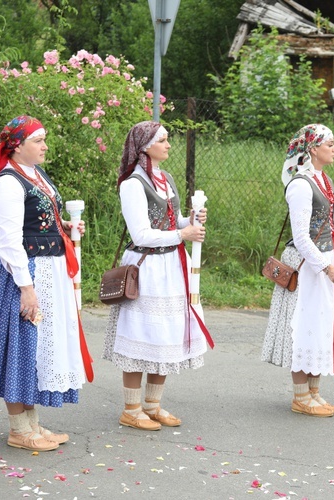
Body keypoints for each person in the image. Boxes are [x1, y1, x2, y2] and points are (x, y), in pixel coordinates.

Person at [0, 116, 90, 452]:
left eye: (44, 139)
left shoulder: (35, 175)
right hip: (24, 274)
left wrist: (63, 225)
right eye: (38, 140)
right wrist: (27, 287)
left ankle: (32, 425)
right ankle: (18, 429)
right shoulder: (8, 183)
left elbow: (37, 218)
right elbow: (9, 241)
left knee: (37, 348)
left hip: (48, 270)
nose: (44, 146)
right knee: (21, 347)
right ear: (17, 145)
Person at [261, 124, 334, 417]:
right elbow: (301, 236)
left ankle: (314, 393)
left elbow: (326, 225)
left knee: (320, 327)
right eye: (330, 144)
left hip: (323, 259)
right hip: (308, 266)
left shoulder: (323, 180)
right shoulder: (301, 185)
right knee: (304, 326)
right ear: (313, 149)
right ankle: (301, 396)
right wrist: (326, 267)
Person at [102, 121, 212, 431]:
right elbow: (142, 233)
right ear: (145, 146)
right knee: (140, 336)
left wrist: (189, 219)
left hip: (171, 266)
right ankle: (131, 408)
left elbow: (170, 221)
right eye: (162, 140)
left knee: (166, 335)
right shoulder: (132, 184)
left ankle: (152, 405)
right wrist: (183, 233)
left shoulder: (167, 179)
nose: (168, 144)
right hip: (147, 266)